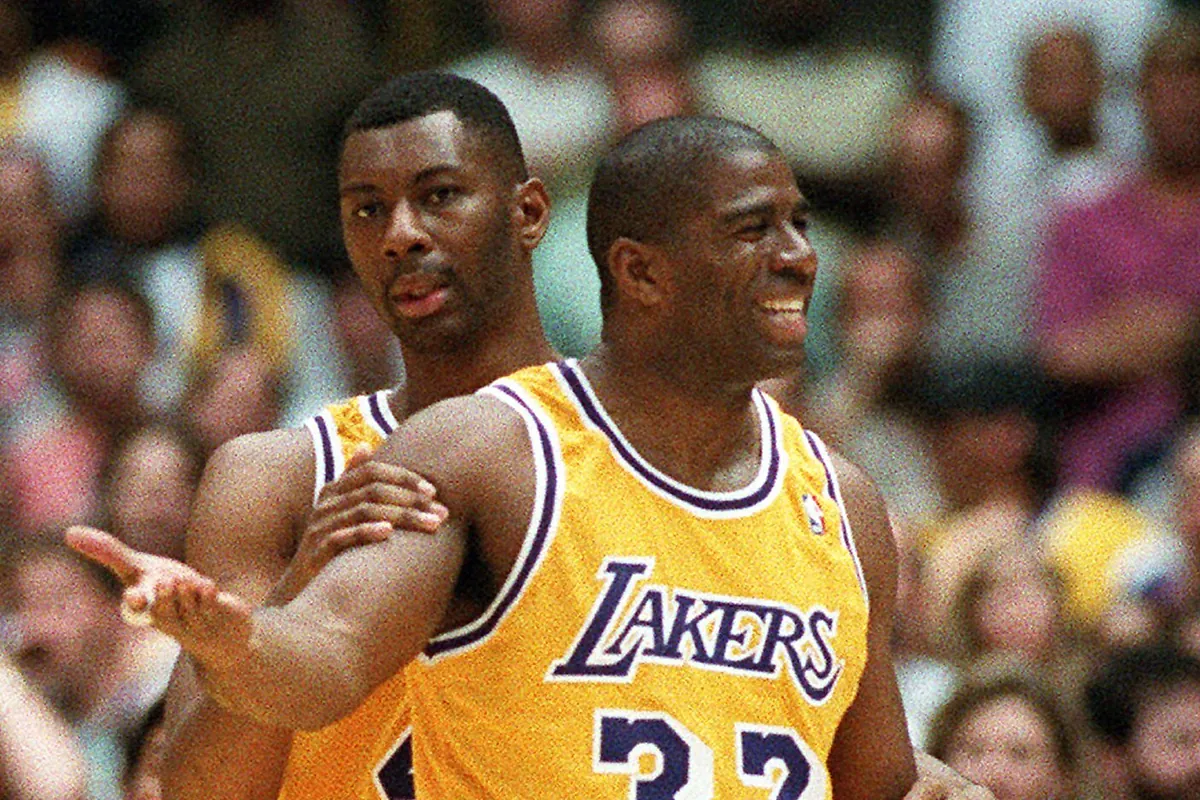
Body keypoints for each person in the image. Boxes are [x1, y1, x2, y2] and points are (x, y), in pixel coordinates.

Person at [71, 114, 970, 799]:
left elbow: (870, 777)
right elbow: (320, 663)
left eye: (799, 225)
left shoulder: (841, 500)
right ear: (640, 272)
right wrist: (240, 637)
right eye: (753, 231)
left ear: (528, 213)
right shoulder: (471, 452)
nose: (800, 257)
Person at [111, 72, 557, 800]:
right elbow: (203, 791)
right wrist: (289, 597)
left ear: (528, 212)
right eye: (367, 209)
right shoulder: (276, 479)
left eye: (440, 195)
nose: (400, 234)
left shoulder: (625, 441)